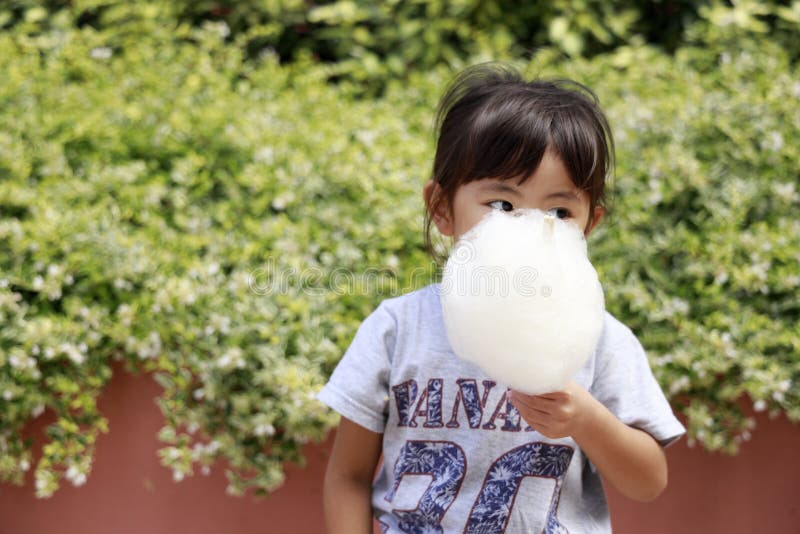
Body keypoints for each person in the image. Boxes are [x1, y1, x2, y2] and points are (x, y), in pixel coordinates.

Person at [317, 62, 685, 534]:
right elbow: (347, 475)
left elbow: (649, 481)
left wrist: (588, 420)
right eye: (502, 205)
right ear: (442, 209)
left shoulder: (600, 340)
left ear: (589, 225)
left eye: (558, 210)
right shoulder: (397, 329)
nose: (528, 227)